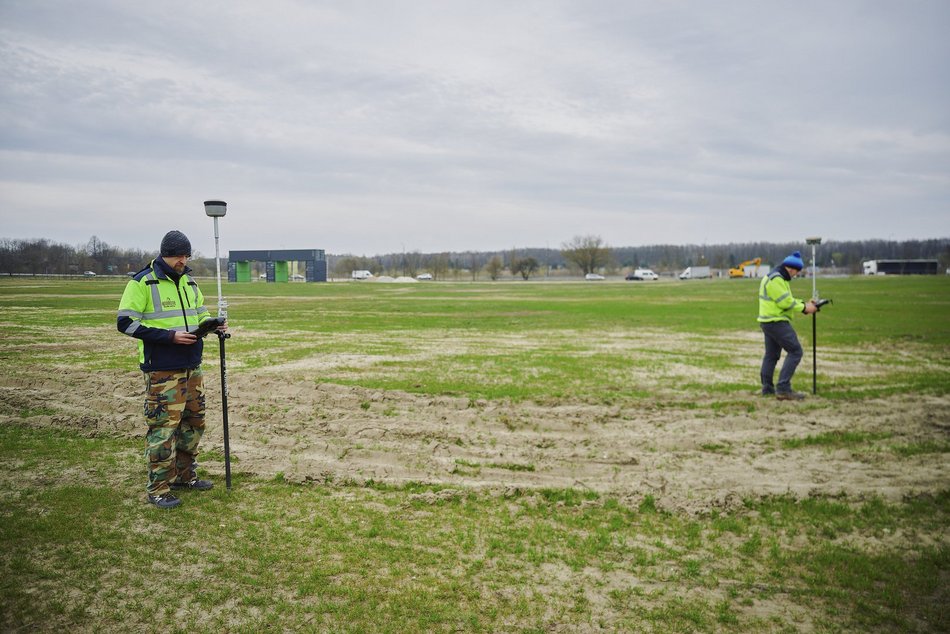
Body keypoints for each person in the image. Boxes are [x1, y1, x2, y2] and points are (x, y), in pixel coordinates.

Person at [117, 230, 227, 508]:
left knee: (194, 423)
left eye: (186, 255)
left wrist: (213, 324)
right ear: (165, 254)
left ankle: (185, 476)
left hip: (192, 365)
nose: (183, 260)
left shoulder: (190, 282)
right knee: (163, 428)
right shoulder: (143, 282)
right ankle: (158, 488)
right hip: (162, 369)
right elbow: (125, 323)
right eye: (179, 255)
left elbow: (199, 313)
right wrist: (169, 337)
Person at [757, 251, 817, 400]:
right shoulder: (776, 279)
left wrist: (805, 304)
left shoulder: (776, 276)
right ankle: (783, 389)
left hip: (767, 321)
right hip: (776, 321)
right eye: (796, 272)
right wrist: (804, 308)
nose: (796, 275)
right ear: (791, 268)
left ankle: (767, 389)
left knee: (771, 355)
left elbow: (787, 299)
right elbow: (785, 302)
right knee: (795, 351)